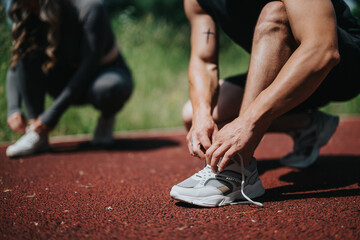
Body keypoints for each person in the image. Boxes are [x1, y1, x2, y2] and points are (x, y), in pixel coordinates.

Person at [170, 0, 360, 207]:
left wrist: (249, 121)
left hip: (342, 70)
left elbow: (323, 50)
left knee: (276, 12)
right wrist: (201, 114)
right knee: (194, 114)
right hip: (289, 71)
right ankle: (308, 125)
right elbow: (203, 60)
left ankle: (238, 171)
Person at [5, 0, 133, 158]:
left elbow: (88, 67)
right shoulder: (26, 10)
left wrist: (51, 116)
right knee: (27, 53)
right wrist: (13, 109)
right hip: (62, 79)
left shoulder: (91, 8)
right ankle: (38, 134)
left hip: (100, 77)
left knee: (110, 89)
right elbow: (17, 60)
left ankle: (107, 118)